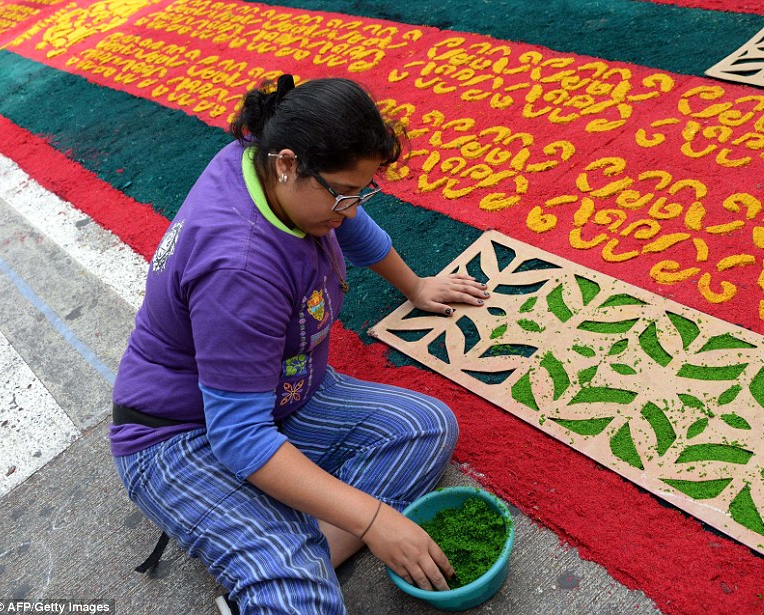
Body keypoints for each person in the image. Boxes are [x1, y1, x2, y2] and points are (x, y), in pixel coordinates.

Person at [110, 74, 490, 614]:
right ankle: (280, 570)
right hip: (179, 435)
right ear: (288, 164)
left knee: (425, 427)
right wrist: (374, 520)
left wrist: (415, 285)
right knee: (300, 597)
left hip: (278, 392)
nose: (351, 208)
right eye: (344, 192)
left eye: (361, 191)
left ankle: (288, 552)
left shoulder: (265, 162)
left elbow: (350, 223)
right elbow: (239, 435)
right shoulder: (240, 268)